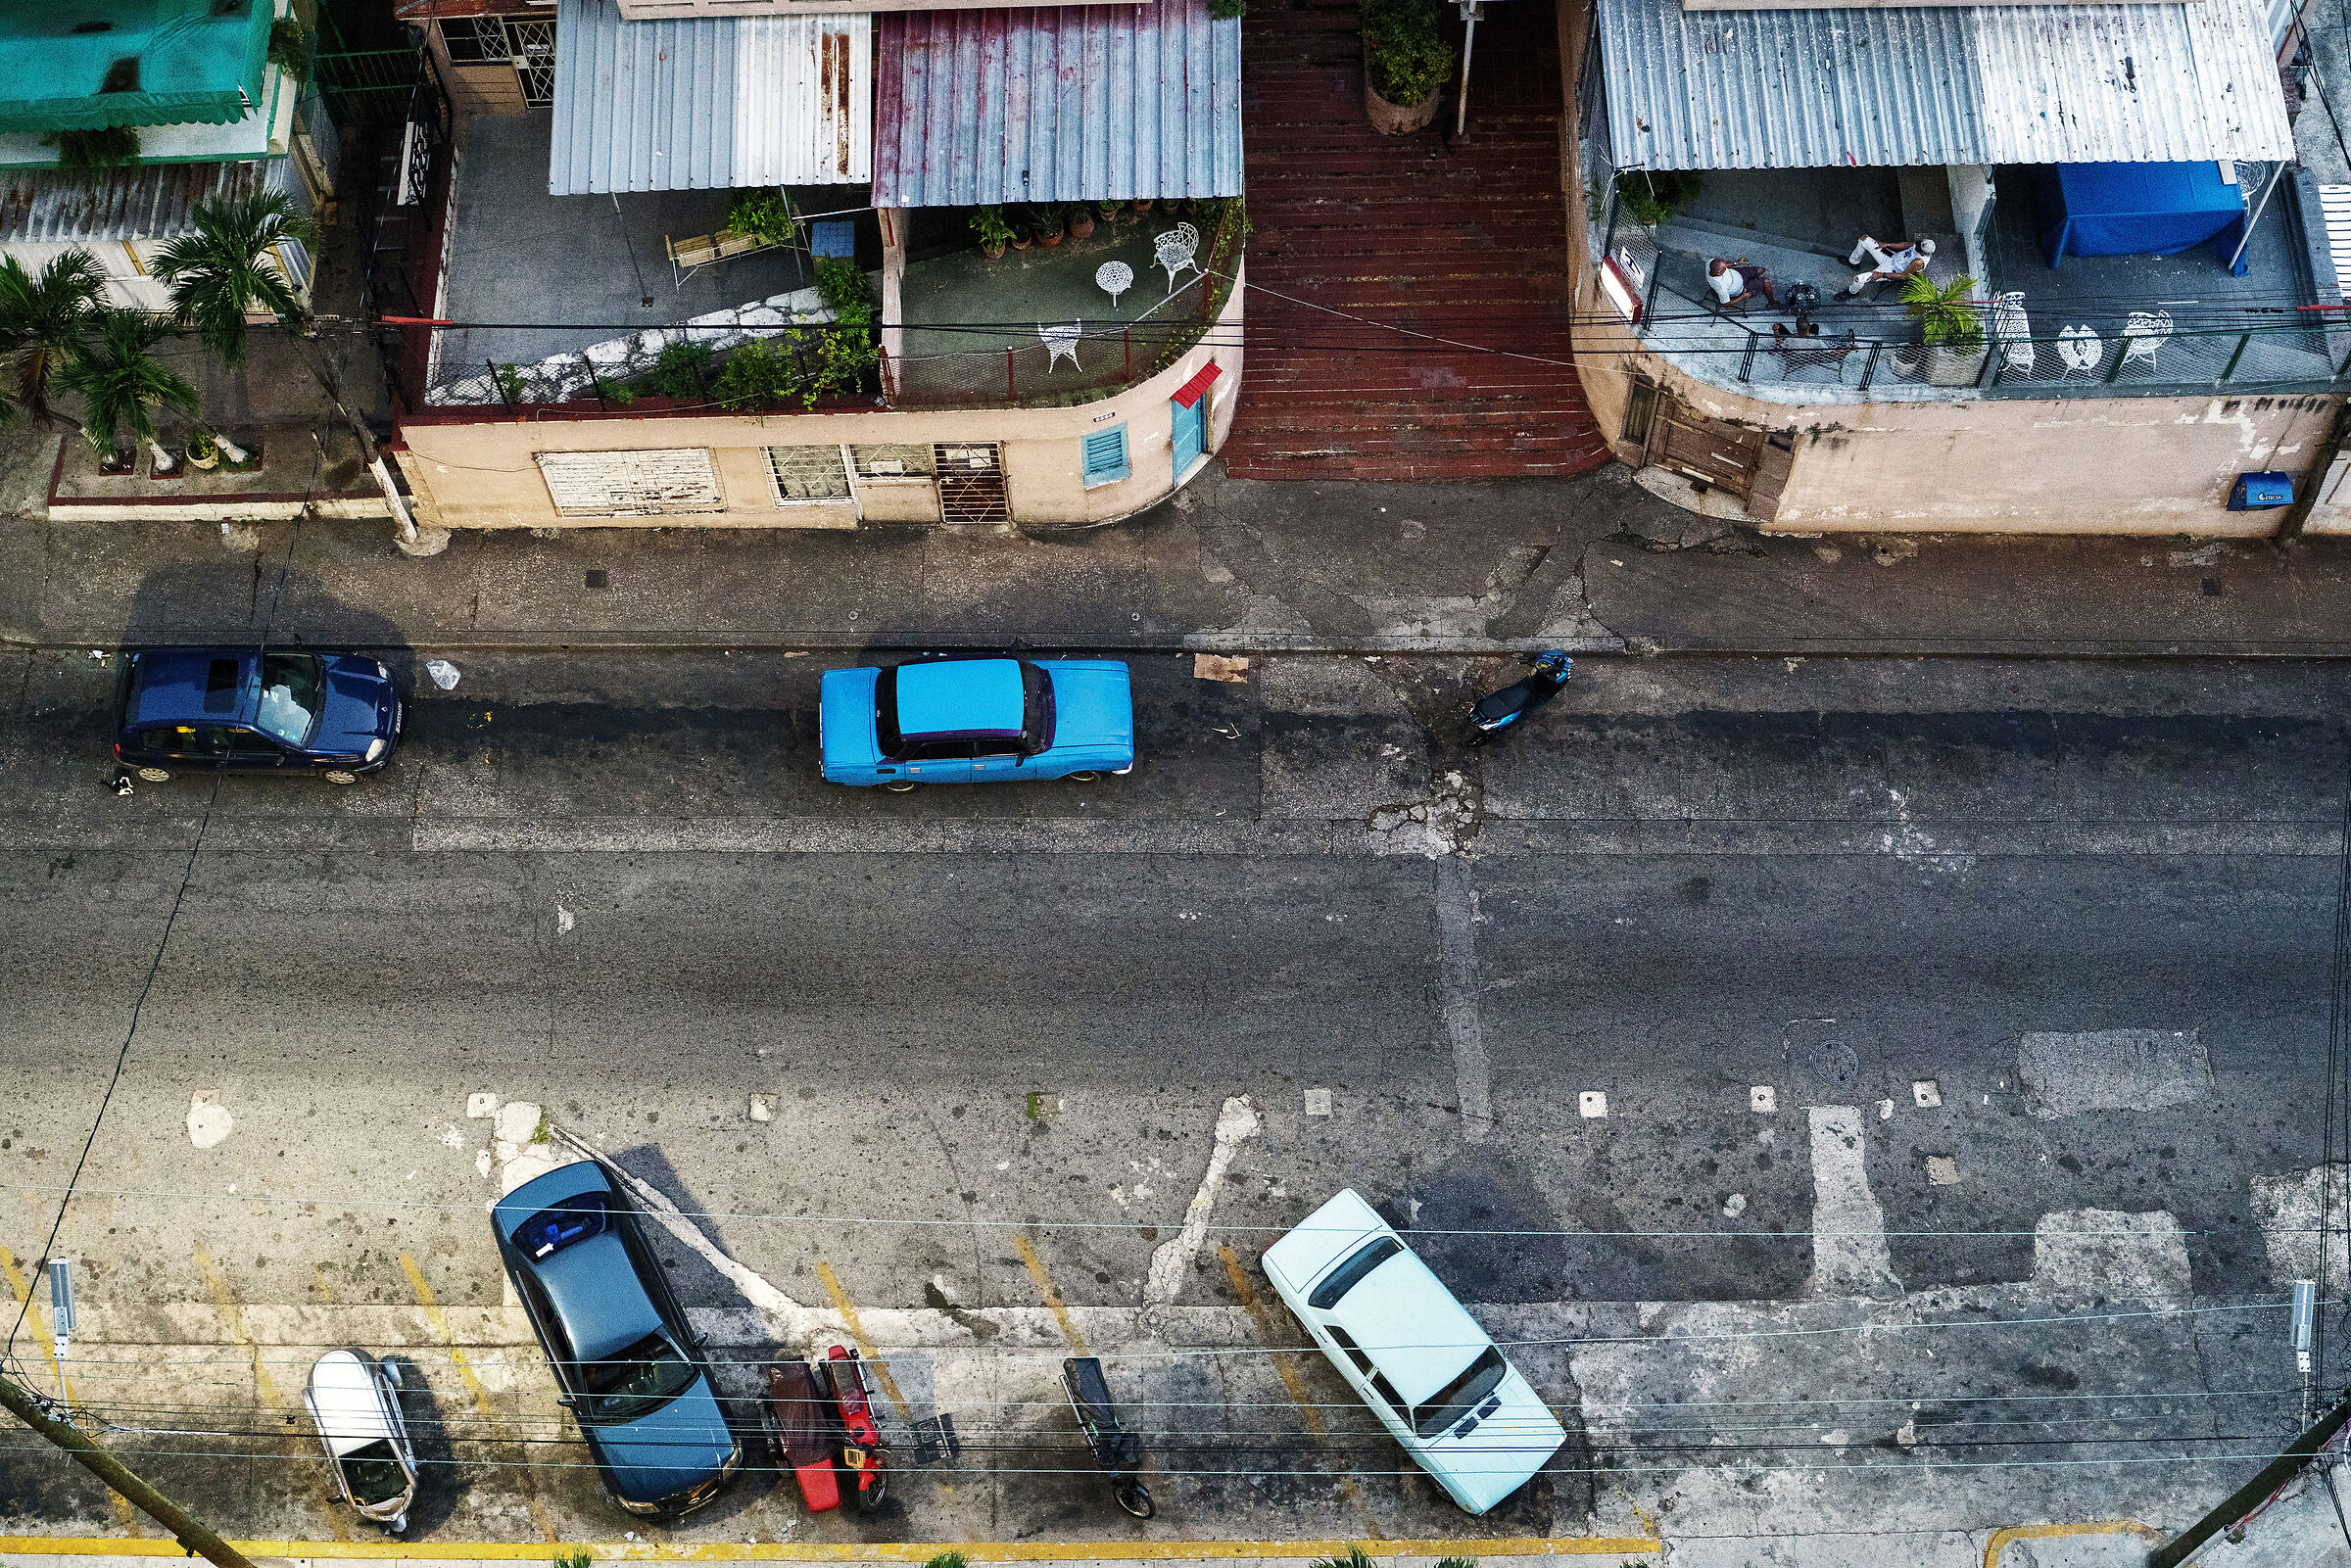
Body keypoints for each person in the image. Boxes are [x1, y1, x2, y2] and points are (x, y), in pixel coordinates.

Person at [1846, 234, 1934, 296]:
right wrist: (1886, 245)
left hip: (1891, 270)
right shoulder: (1921, 244)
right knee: (1864, 239)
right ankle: (1854, 262)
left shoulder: (1918, 262)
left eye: (1918, 248)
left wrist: (1881, 275)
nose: (1916, 246)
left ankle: (1852, 292)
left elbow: (1903, 276)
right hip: (1891, 256)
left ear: (1924, 253)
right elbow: (1905, 245)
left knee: (1858, 279)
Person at [1706, 257, 1779, 309]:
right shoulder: (1721, 286)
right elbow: (1725, 304)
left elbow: (1724, 265)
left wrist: (1737, 263)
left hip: (1739, 274)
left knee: (1761, 269)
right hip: (1742, 288)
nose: (1727, 268)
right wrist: (1742, 297)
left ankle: (1758, 284)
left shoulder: (1710, 263)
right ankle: (1772, 303)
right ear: (1719, 273)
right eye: (1725, 269)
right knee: (1766, 282)